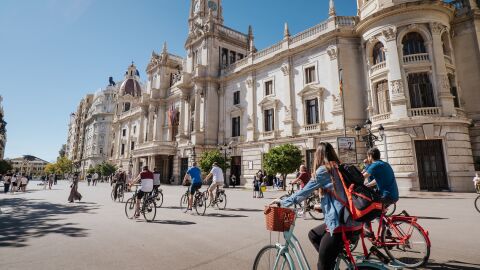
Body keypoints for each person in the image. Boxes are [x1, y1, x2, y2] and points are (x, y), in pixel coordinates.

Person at [273, 142, 362, 270]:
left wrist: (283, 202)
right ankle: (331, 256)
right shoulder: (339, 167)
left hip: (341, 225)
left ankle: (328, 260)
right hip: (353, 220)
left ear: (318, 156)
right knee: (313, 235)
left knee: (323, 266)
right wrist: (323, 206)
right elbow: (341, 194)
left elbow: (303, 193)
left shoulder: (324, 170)